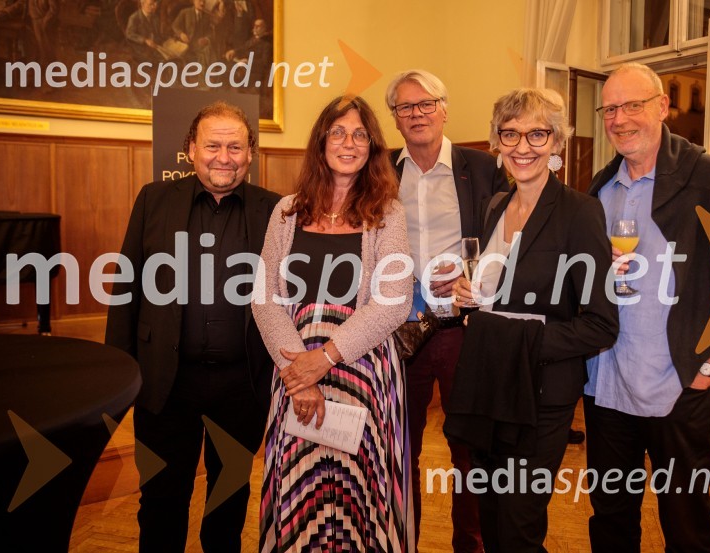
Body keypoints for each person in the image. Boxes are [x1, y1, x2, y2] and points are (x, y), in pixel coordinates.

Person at [585, 62, 710, 552]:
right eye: (610, 109)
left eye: (633, 105)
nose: (620, 119)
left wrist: (706, 372)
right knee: (610, 521)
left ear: (663, 107)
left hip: (681, 389)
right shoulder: (600, 188)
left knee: (688, 529)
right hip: (608, 387)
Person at [447, 87, 619, 552]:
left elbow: (601, 324)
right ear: (497, 142)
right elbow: (494, 297)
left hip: (541, 393)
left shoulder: (580, 212)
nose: (523, 146)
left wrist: (516, 338)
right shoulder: (494, 206)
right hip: (489, 384)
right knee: (490, 517)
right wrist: (468, 297)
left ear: (557, 142)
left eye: (537, 134)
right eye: (511, 134)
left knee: (518, 527)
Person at [105, 101, 281, 552]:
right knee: (161, 501)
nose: (224, 157)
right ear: (190, 149)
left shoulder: (276, 210)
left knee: (229, 500)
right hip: (166, 383)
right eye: (212, 146)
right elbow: (126, 287)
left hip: (243, 385)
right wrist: (119, 376)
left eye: (235, 147)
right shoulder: (153, 199)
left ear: (251, 153)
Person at [252, 95, 413, 552]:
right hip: (294, 374)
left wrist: (324, 358)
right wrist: (298, 374)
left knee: (360, 498)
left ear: (372, 147)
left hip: (364, 373)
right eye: (338, 132)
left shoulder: (388, 212)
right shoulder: (286, 211)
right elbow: (264, 297)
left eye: (360, 134)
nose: (349, 142)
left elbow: (394, 301)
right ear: (321, 142)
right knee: (300, 491)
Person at [385, 69, 509, 553]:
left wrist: (471, 269)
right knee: (400, 451)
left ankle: (470, 545)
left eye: (426, 104)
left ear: (444, 110)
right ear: (395, 118)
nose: (417, 114)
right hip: (399, 330)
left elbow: (507, 238)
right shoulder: (380, 172)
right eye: (405, 107)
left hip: (463, 329)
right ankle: (403, 542)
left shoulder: (483, 168)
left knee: (470, 452)